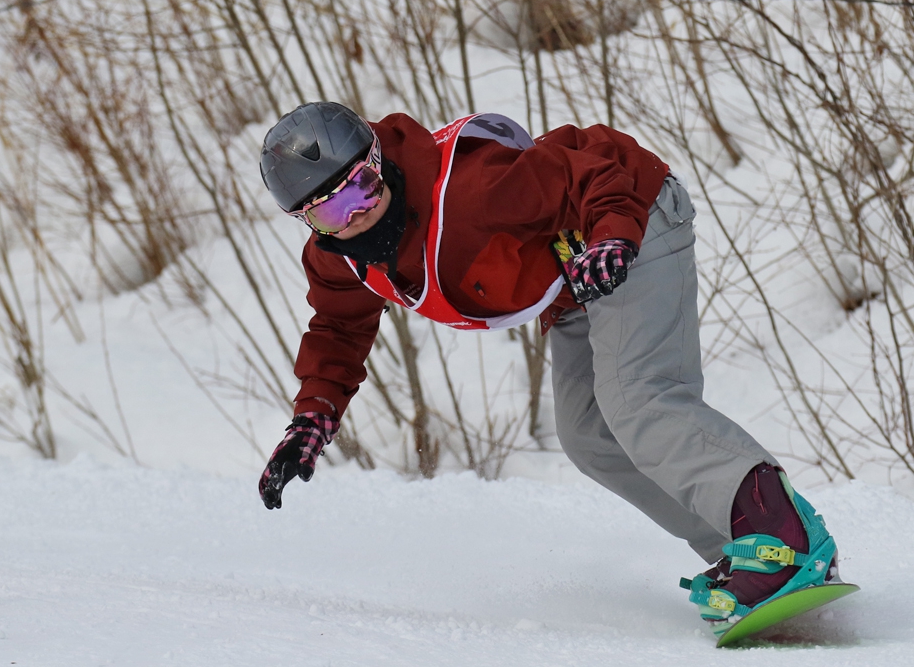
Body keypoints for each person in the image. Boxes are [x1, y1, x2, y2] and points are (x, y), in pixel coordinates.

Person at [255, 101, 841, 629]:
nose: (355, 214)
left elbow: (593, 172)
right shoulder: (340, 259)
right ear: (308, 221)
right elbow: (338, 329)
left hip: (628, 218)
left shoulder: (472, 191)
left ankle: (783, 540)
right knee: (588, 436)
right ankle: (742, 547)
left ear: (380, 161)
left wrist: (612, 237)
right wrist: (313, 418)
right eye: (329, 211)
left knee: (638, 398)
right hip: (573, 273)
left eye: (362, 186)